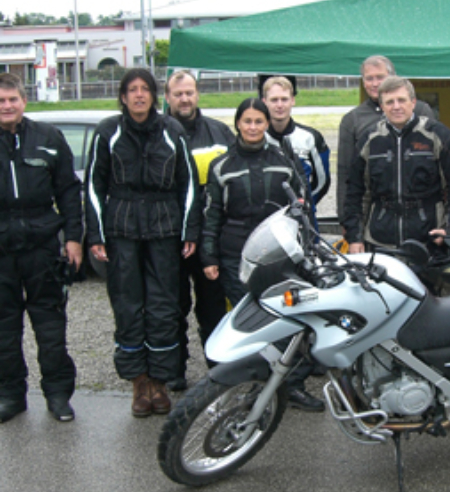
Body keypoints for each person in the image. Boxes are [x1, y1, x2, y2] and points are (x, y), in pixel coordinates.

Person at [85, 68, 201, 418]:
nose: (138, 95)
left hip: (164, 229)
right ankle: (139, 383)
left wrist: (189, 231)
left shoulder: (172, 130)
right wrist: (96, 234)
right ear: (122, 96)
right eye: (131, 90)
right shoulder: (108, 131)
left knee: (164, 306)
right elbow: (93, 185)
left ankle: (161, 382)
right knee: (127, 305)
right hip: (121, 230)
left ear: (154, 96)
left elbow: (190, 185)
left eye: (144, 90)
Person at [200, 98, 322, 412]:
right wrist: (209, 258)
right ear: (237, 124)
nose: (253, 127)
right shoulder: (222, 166)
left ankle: (290, 385)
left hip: (278, 254)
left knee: (288, 320)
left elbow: (301, 209)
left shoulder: (285, 160)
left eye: (259, 121)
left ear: (267, 124)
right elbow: (211, 215)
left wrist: (307, 248)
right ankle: (250, 388)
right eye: (247, 121)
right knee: (250, 323)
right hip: (235, 255)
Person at [0, 73, 83, 423]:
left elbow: (67, 190)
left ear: (24, 101)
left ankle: (58, 395)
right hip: (2, 248)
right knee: (4, 329)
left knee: (50, 326)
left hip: (42, 245)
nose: (6, 106)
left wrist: (74, 238)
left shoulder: (49, 138)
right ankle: (10, 396)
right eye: (1, 101)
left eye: (12, 100)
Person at [165, 70, 235, 388]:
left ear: (198, 94)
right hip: (171, 237)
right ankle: (175, 370)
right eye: (178, 93)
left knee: (212, 307)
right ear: (167, 97)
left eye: (189, 92)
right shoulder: (159, 134)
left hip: (210, 238)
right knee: (173, 305)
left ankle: (217, 367)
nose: (184, 99)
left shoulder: (220, 133)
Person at [344, 76, 450, 253]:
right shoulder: (369, 140)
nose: (396, 107)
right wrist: (355, 236)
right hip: (380, 240)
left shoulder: (438, 135)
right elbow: (355, 192)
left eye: (401, 100)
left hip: (428, 239)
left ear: (413, 102)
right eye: (389, 102)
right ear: (382, 106)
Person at [336, 55, 435, 226]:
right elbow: (345, 173)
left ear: (392, 76)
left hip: (420, 214)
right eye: (369, 78)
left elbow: (438, 166)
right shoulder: (352, 120)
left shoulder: (422, 110)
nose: (375, 83)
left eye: (380, 77)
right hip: (375, 215)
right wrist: (346, 220)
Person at [260, 77, 329, 219]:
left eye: (284, 99)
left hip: (302, 215)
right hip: (266, 217)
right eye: (274, 100)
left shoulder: (310, 137)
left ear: (293, 100)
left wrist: (304, 203)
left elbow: (322, 181)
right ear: (264, 102)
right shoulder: (257, 138)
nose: (279, 105)